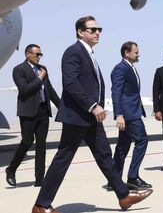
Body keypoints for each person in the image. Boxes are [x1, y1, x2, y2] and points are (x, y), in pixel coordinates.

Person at [32, 16, 151, 213]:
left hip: (90, 118)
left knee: (104, 155)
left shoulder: (89, 53)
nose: (97, 33)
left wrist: (97, 108)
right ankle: (41, 205)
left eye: (99, 29)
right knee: (64, 158)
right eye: (92, 29)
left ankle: (123, 195)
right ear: (80, 32)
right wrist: (92, 106)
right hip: (78, 116)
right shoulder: (73, 52)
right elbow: (70, 83)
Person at [6, 44, 60, 188]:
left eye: (40, 54)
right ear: (27, 54)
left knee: (41, 146)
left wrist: (62, 107)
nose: (39, 56)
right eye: (36, 54)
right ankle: (11, 169)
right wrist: (39, 79)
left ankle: (39, 179)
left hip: (43, 111)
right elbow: (24, 90)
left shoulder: (43, 69)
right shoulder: (19, 70)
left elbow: (50, 89)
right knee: (27, 141)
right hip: (28, 112)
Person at [109, 41, 151, 190]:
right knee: (142, 140)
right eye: (136, 52)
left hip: (131, 111)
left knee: (122, 146)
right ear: (126, 53)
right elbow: (116, 92)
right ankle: (133, 177)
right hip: (129, 114)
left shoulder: (130, 68)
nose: (138, 54)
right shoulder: (120, 69)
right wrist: (118, 114)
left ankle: (113, 180)